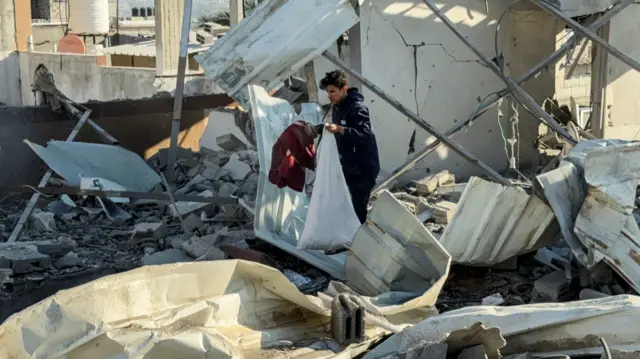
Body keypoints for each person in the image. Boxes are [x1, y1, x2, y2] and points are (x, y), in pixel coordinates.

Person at [317, 70, 380, 225]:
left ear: (344, 89)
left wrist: (340, 129)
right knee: (345, 206)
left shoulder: (357, 108)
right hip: (349, 166)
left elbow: (365, 136)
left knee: (358, 209)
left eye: (332, 91)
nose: (329, 96)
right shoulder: (338, 107)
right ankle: (346, 240)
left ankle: (360, 244)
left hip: (364, 168)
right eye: (327, 92)